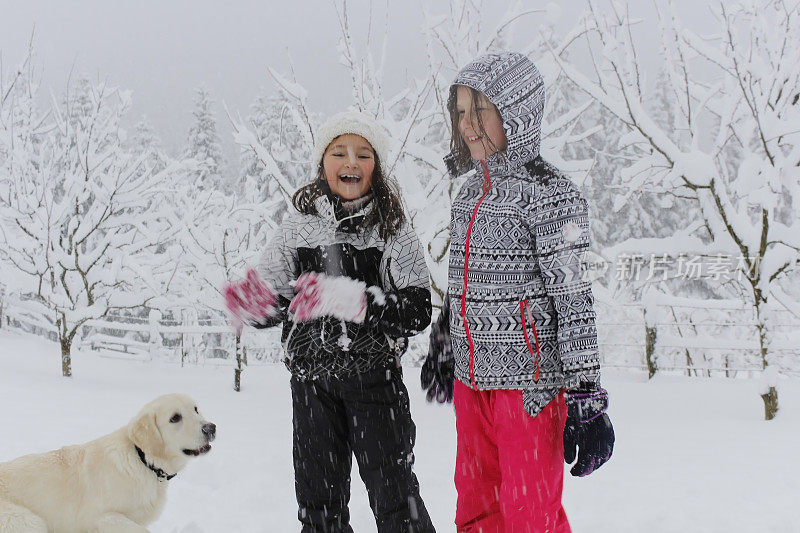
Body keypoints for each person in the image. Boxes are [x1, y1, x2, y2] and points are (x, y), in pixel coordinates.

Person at [421, 51, 615, 532]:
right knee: (475, 507)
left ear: (516, 112)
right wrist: (446, 341)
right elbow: (463, 282)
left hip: (528, 389)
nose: (468, 124)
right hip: (472, 385)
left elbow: (573, 300)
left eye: (480, 109)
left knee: (530, 514)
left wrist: (586, 395)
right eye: (460, 111)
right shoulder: (468, 193)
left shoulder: (552, 194)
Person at [224, 110, 436, 532]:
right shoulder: (297, 229)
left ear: (376, 167)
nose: (351, 163)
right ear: (323, 164)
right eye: (339, 152)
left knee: (396, 499)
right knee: (319, 507)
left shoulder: (393, 230)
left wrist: (354, 301)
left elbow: (416, 311)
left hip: (375, 387)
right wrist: (252, 304)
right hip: (311, 387)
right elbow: (276, 299)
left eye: (363, 154)